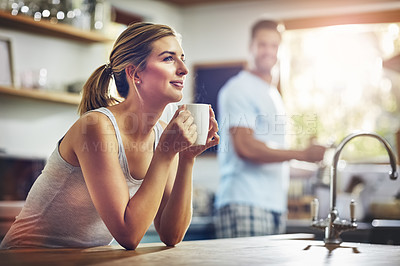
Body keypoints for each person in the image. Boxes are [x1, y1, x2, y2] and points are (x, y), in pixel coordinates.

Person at [0, 22, 219, 250]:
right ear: (135, 74)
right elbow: (129, 234)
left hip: (83, 261)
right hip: (26, 258)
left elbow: (171, 234)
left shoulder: (164, 135)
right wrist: (165, 152)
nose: (184, 68)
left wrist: (187, 159)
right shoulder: (97, 127)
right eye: (168, 58)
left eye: (182, 57)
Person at [213, 20, 325, 238]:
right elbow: (246, 148)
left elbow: (276, 158)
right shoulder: (239, 89)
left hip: (272, 207)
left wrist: (314, 167)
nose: (268, 51)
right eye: (262, 44)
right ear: (250, 46)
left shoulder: (272, 94)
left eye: (274, 46)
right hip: (244, 203)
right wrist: (303, 153)